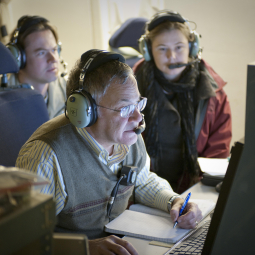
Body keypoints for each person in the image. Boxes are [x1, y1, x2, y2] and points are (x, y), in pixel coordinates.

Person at [16, 49, 202, 255]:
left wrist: (173, 202)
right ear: (86, 111)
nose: (138, 118)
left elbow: (142, 180)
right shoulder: (48, 155)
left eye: (138, 104)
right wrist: (85, 248)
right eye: (125, 109)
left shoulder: (128, 135)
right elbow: (21, 239)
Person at [134, 10, 232, 193]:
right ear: (147, 51)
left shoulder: (214, 95)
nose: (172, 56)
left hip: (194, 191)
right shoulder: (129, 91)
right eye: (162, 48)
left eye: (179, 47)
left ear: (192, 47)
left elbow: (217, 154)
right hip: (143, 191)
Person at [6, 15, 66, 119]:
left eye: (54, 50)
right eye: (41, 53)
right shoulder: (3, 99)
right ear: (18, 58)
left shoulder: (69, 90)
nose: (53, 59)